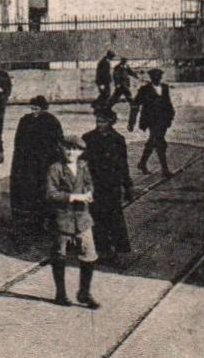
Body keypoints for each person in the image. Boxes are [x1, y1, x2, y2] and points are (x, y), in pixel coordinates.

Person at [45, 135, 100, 308]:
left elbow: (89, 184)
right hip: (62, 220)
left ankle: (84, 293)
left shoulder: (83, 166)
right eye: (67, 149)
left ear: (81, 152)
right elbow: (51, 193)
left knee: (89, 256)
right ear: (62, 149)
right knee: (59, 256)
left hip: (83, 219)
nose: (70, 152)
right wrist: (74, 197)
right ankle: (60, 293)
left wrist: (89, 193)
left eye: (75, 149)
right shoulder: (56, 168)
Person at [82, 108, 133, 262]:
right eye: (98, 121)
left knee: (115, 217)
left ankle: (121, 251)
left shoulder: (118, 139)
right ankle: (102, 249)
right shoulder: (88, 138)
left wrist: (127, 185)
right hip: (94, 184)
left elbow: (123, 164)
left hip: (112, 184)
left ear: (111, 122)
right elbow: (82, 163)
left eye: (103, 121)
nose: (99, 124)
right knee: (96, 217)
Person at [10, 95, 64, 234]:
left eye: (37, 108)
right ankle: (34, 223)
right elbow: (18, 142)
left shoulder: (52, 121)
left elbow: (58, 143)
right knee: (30, 193)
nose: (34, 111)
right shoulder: (25, 120)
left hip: (45, 164)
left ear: (44, 108)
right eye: (32, 108)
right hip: (28, 164)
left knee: (45, 192)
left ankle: (49, 222)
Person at [136, 68, 175, 177]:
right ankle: (165, 169)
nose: (157, 78)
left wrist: (171, 116)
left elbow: (168, 103)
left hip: (163, 120)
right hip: (151, 121)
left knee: (153, 142)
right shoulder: (144, 89)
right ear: (151, 77)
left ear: (161, 77)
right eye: (154, 76)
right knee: (160, 143)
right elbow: (136, 103)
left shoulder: (165, 88)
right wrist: (133, 121)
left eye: (158, 76)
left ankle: (142, 163)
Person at [111, 57, 137, 130]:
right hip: (120, 86)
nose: (126, 62)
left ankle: (133, 105)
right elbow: (115, 76)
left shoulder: (126, 67)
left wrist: (136, 76)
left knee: (118, 97)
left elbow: (131, 72)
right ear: (122, 61)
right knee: (115, 97)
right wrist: (117, 84)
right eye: (125, 61)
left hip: (125, 85)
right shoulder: (117, 67)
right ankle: (108, 106)